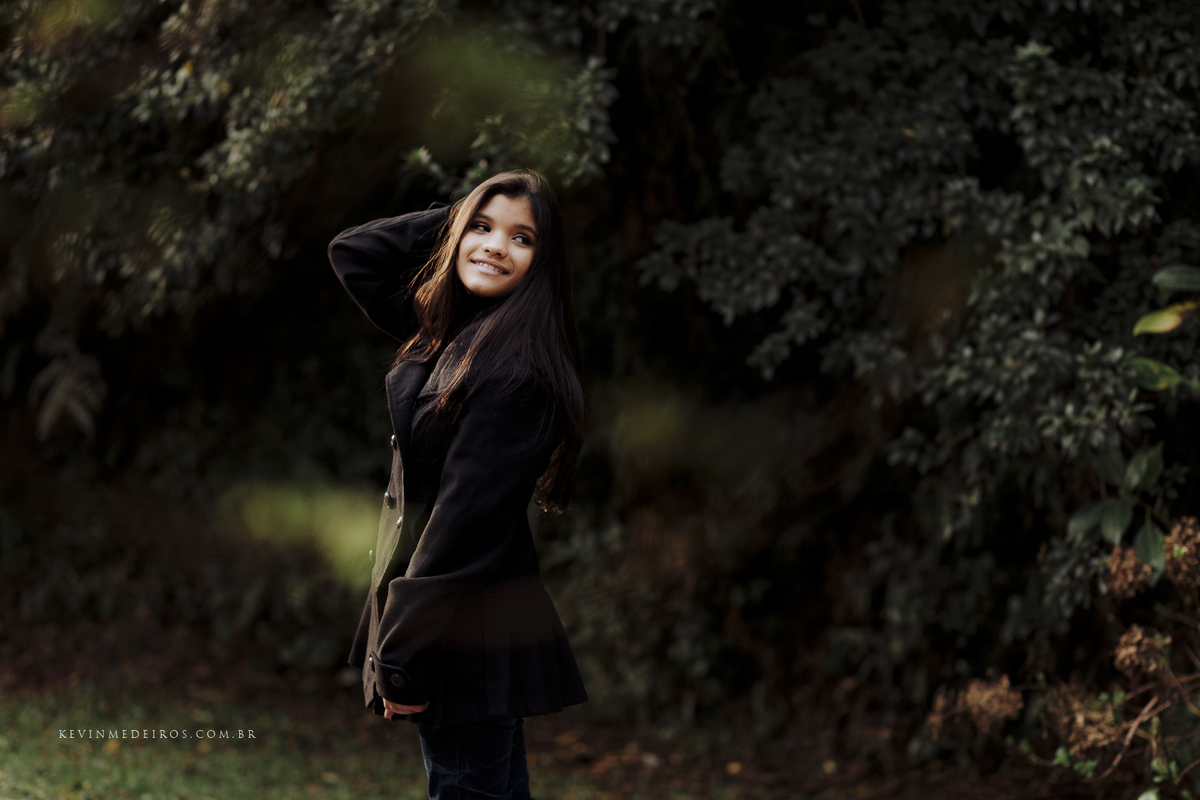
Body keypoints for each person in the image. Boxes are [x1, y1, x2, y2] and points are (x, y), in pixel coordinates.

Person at [328, 170, 589, 799]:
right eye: (483, 228)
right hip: (462, 627)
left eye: (521, 238)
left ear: (542, 263)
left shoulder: (514, 373)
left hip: (463, 635)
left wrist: (402, 658)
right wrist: (459, 218)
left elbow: (461, 526)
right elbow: (353, 255)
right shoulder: (458, 335)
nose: (495, 246)